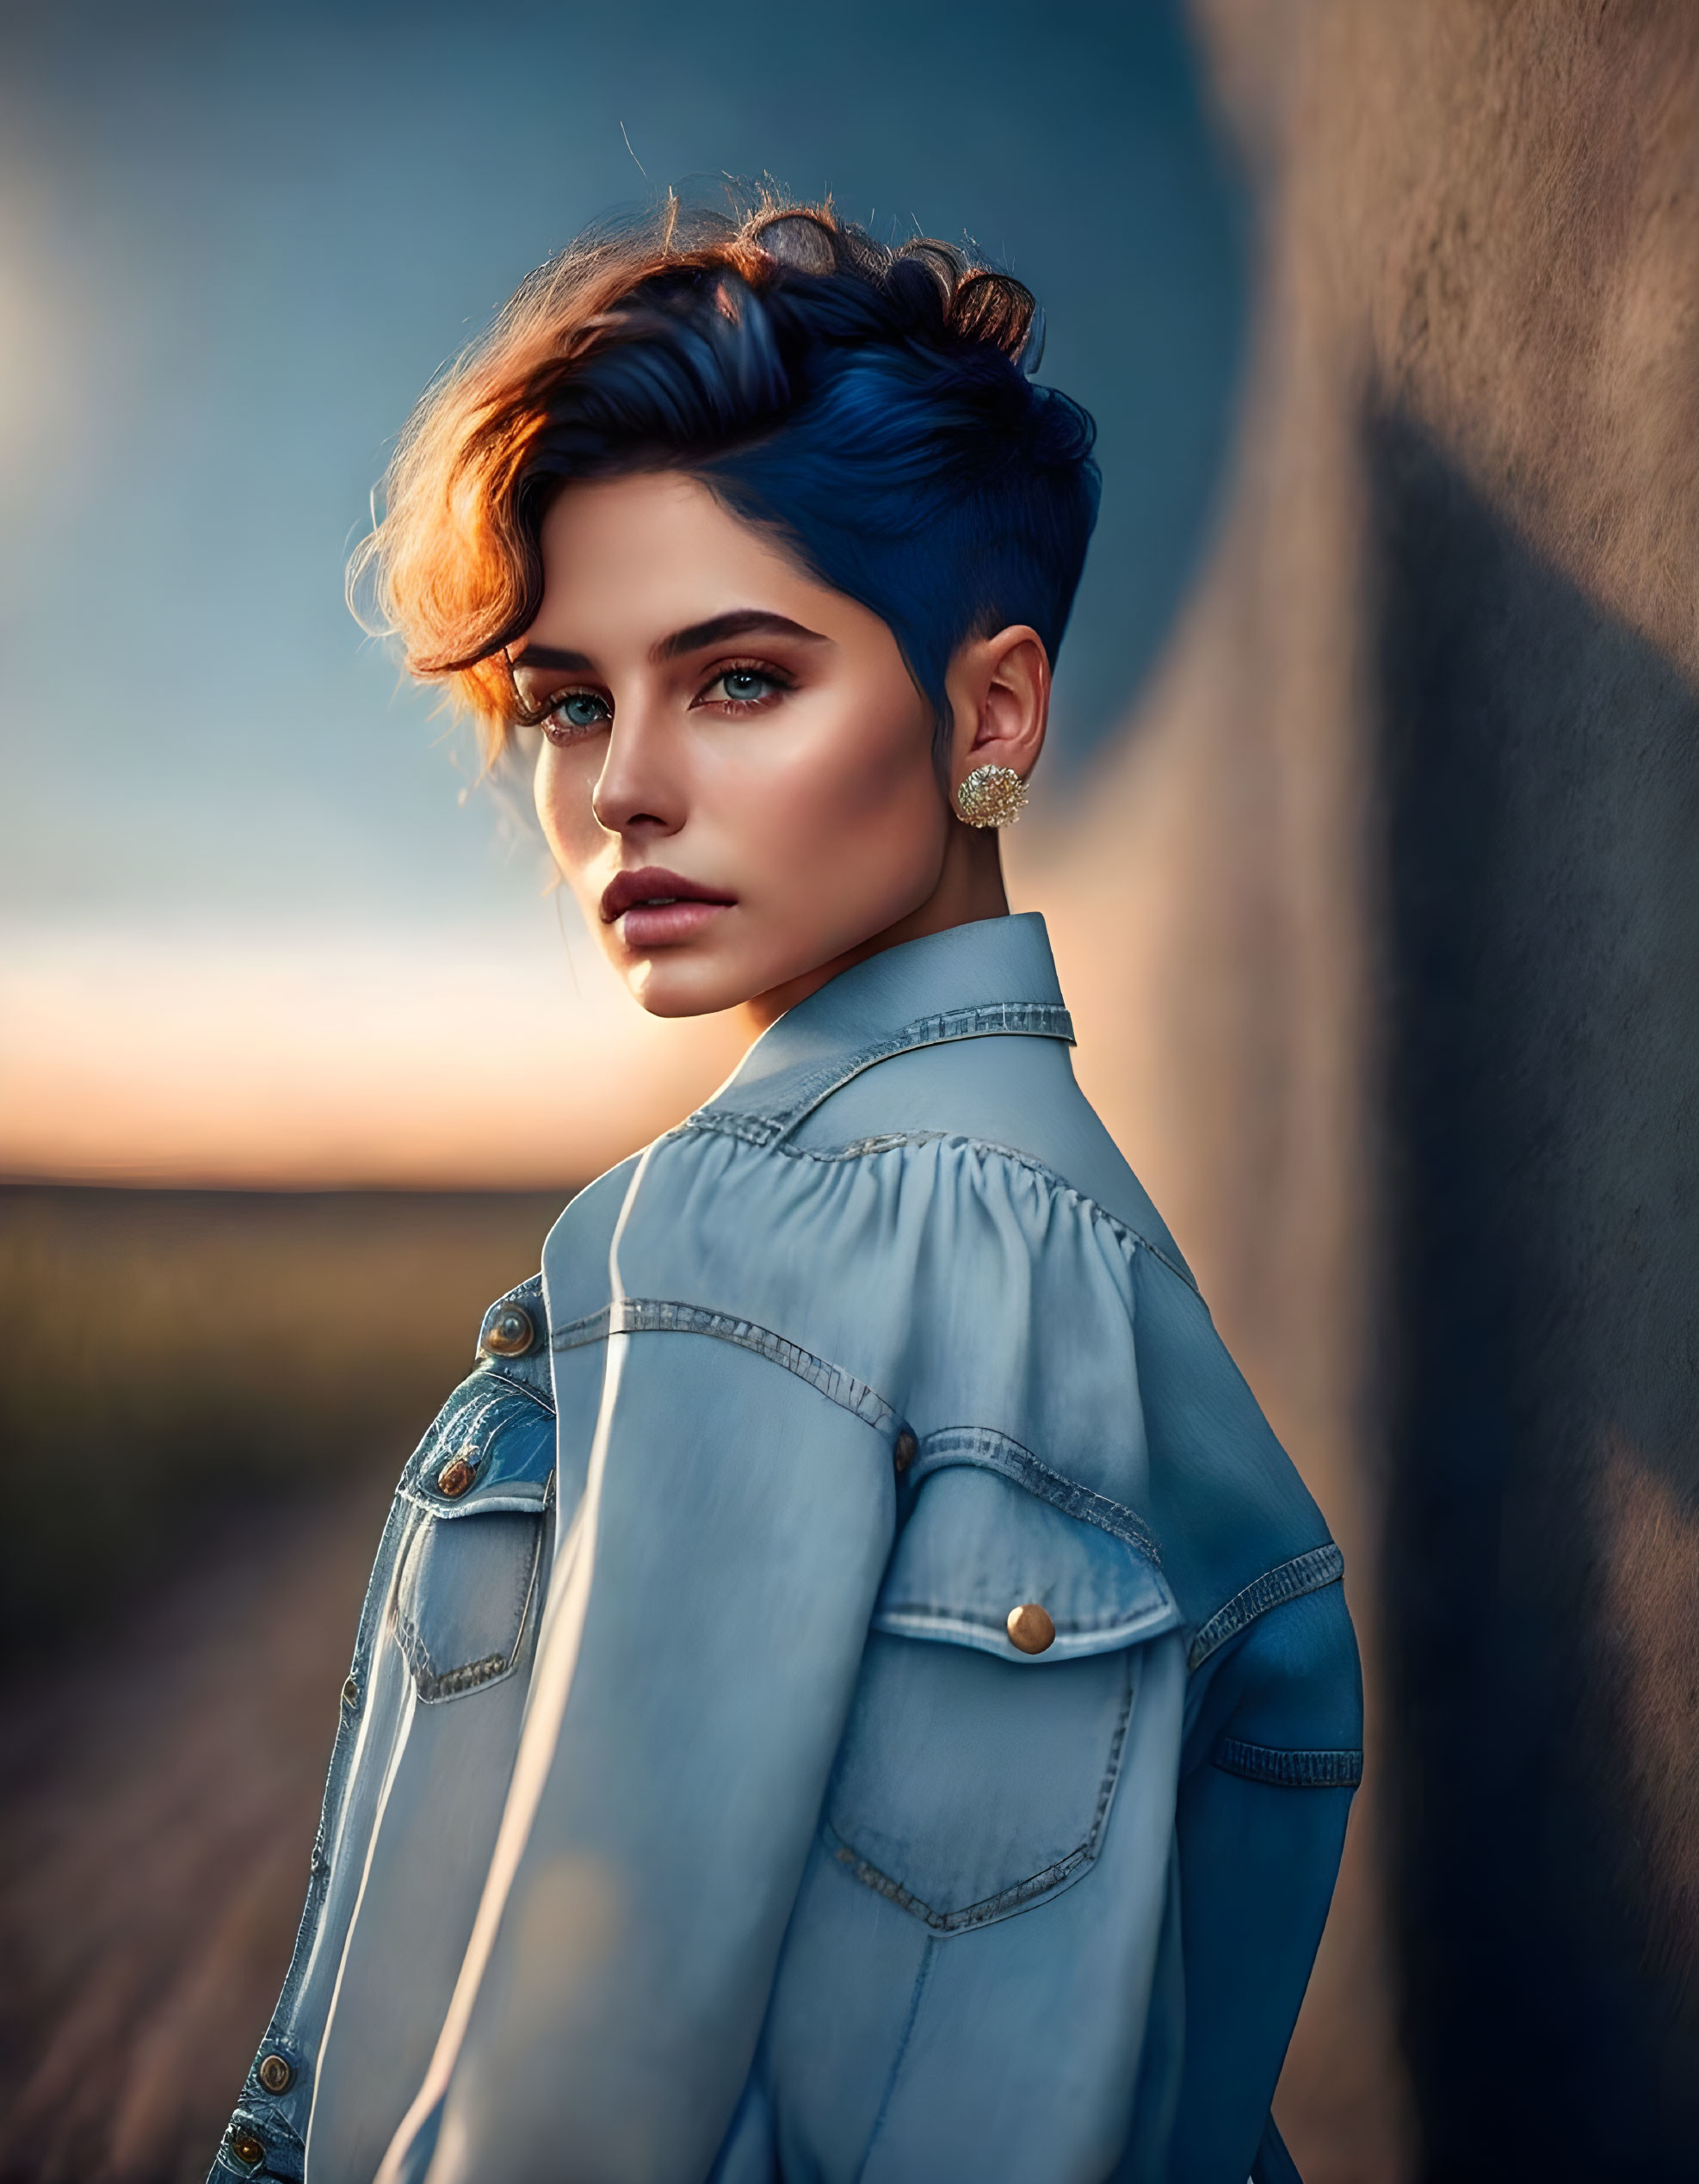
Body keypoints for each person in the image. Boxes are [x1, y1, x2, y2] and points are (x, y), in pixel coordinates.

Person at [209, 194, 1362, 2184]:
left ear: (989, 715)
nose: (621, 787)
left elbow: (577, 2080)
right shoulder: (1098, 1259)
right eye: (572, 701)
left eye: (736, 679)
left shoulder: (758, 1231)